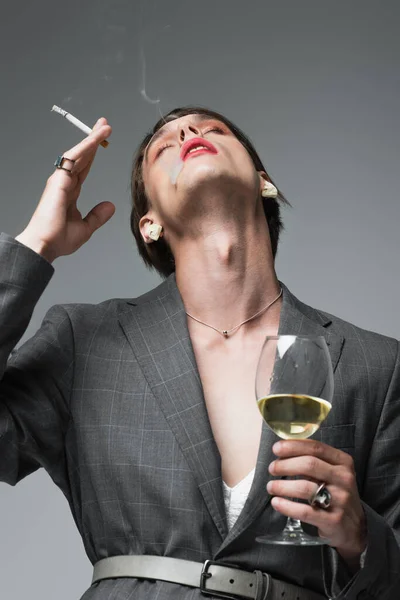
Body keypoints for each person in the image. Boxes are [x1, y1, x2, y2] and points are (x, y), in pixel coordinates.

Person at [0, 106, 399, 600]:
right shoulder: (84, 339)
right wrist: (34, 244)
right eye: (163, 146)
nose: (188, 132)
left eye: (212, 130)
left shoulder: (375, 363)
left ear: (263, 182)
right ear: (148, 225)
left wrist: (361, 538)